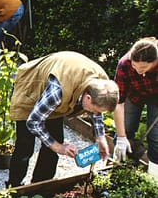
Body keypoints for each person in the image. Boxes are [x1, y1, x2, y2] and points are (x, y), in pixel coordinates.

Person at [7, 51, 119, 187]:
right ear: (88, 98)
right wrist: (58, 147)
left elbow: (97, 110)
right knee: (25, 148)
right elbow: (33, 122)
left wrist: (100, 138)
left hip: (56, 98)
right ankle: (14, 187)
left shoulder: (101, 84)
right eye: (95, 110)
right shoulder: (57, 91)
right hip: (31, 91)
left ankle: (40, 185)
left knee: (53, 145)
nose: (95, 114)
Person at [112, 37, 158, 178]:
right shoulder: (124, 64)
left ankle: (154, 174)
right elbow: (118, 102)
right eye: (134, 66)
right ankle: (117, 167)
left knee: (156, 135)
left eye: (143, 67)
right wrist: (121, 137)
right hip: (133, 94)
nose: (138, 70)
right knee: (126, 127)